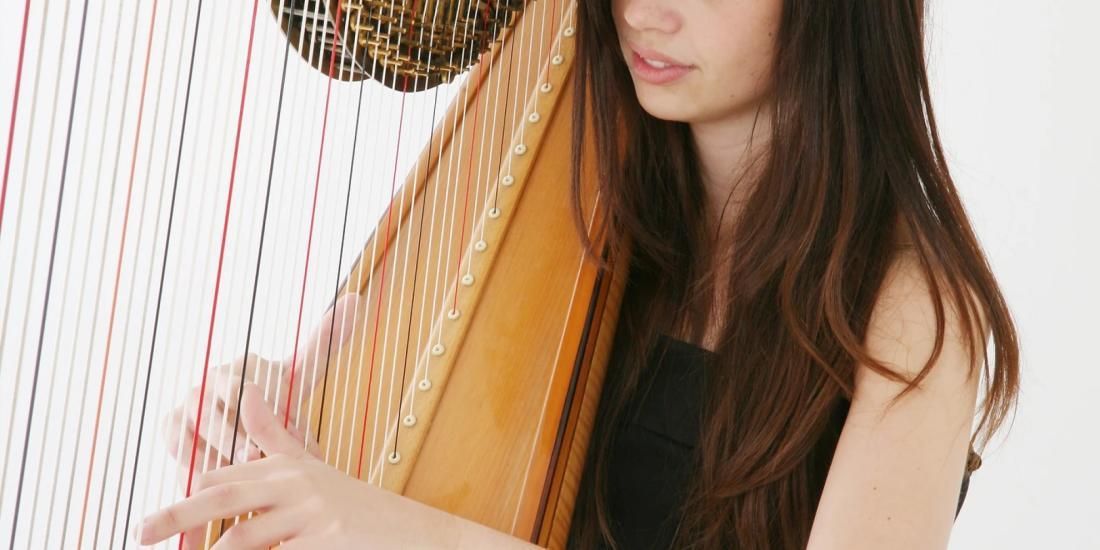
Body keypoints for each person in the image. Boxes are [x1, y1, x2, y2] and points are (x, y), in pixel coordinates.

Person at [137, 0, 1020, 548]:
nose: (643, 13)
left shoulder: (913, 311)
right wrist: (290, 418)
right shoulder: (587, 200)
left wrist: (410, 535)